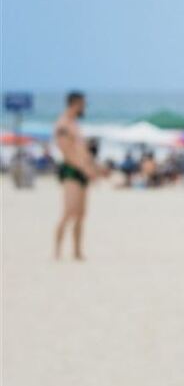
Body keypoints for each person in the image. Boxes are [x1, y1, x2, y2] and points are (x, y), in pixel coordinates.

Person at [53, 91, 103, 260]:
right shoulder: (63, 124)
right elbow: (67, 152)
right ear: (75, 104)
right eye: (83, 104)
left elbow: (83, 152)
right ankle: (57, 251)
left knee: (81, 214)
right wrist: (84, 168)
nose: (84, 108)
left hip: (83, 171)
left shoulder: (75, 124)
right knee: (69, 212)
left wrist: (94, 168)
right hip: (72, 171)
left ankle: (77, 251)